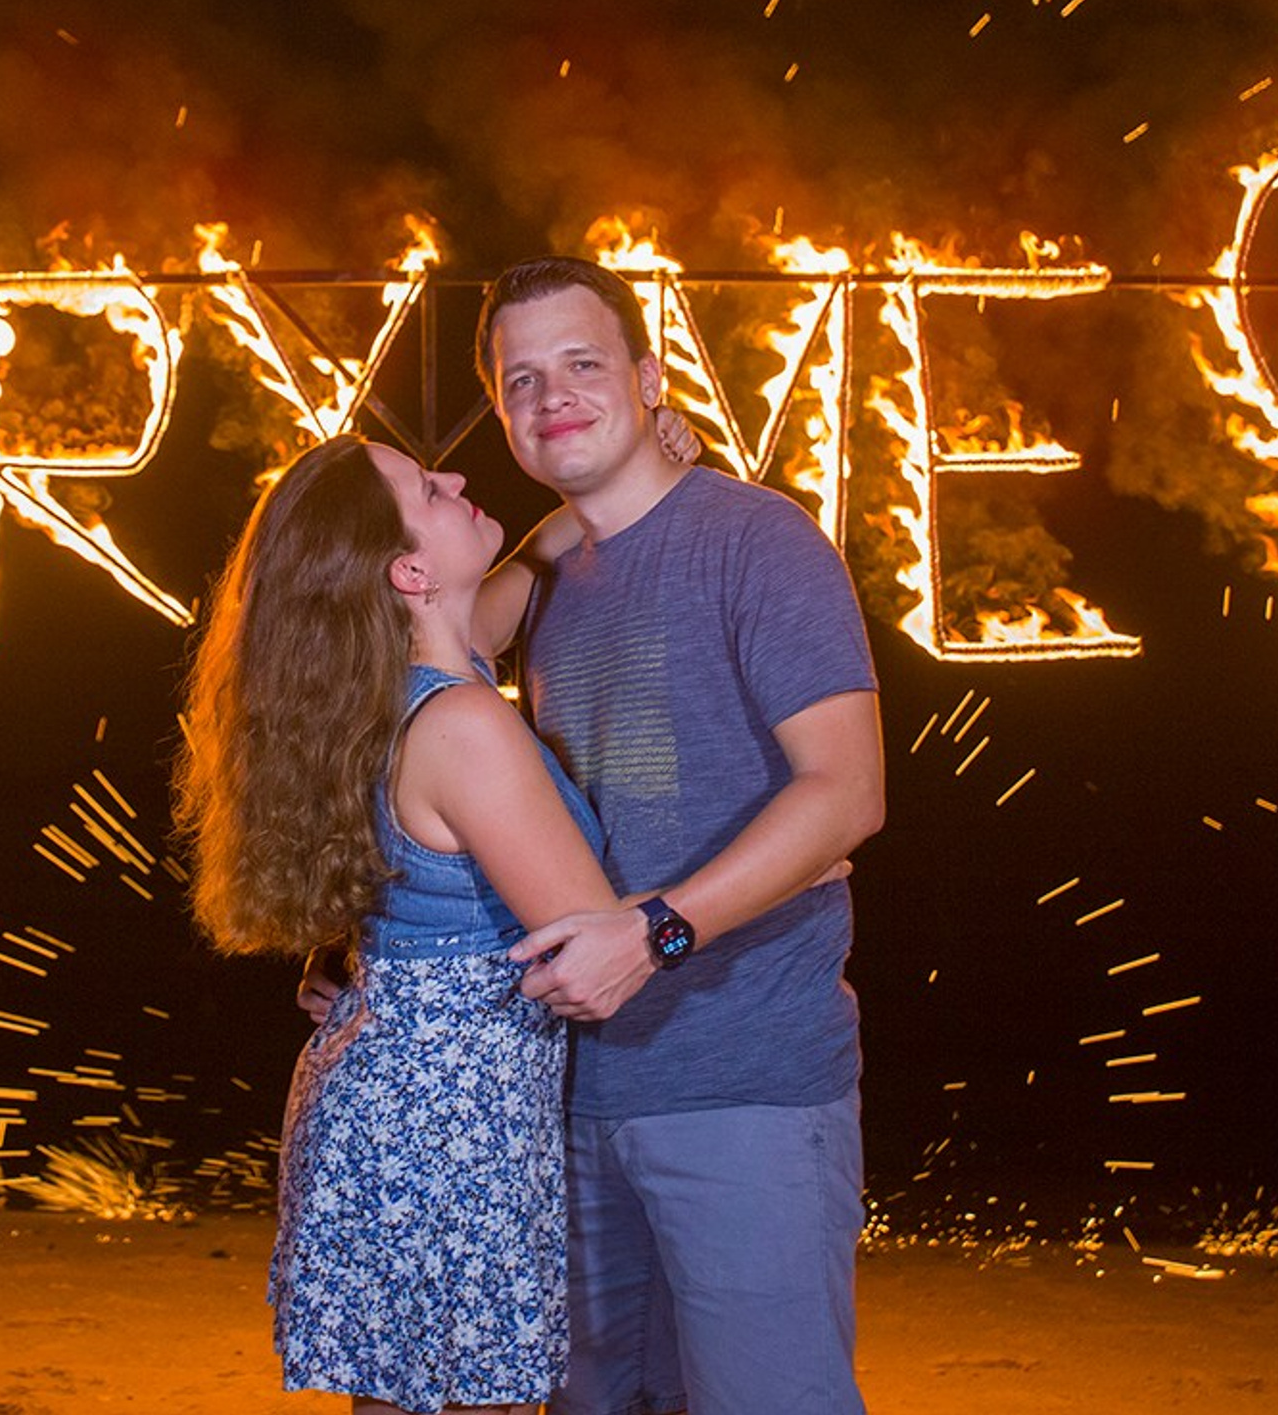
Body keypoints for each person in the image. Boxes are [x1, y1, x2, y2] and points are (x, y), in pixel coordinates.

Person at [477, 255, 887, 1415]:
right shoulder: (550, 578)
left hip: (745, 1081)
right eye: (521, 381)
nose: (551, 395)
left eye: (582, 364)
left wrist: (653, 933)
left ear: (653, 379)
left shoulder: (760, 540)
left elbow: (848, 792)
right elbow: (430, 648)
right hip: (577, 1092)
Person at [173, 433, 627, 1415]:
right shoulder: (463, 727)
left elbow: (519, 581)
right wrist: (780, 867)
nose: (458, 478)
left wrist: (622, 474)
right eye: (429, 487)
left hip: (387, 1108)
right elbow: (595, 939)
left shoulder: (396, 690)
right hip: (448, 1137)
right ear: (409, 570)